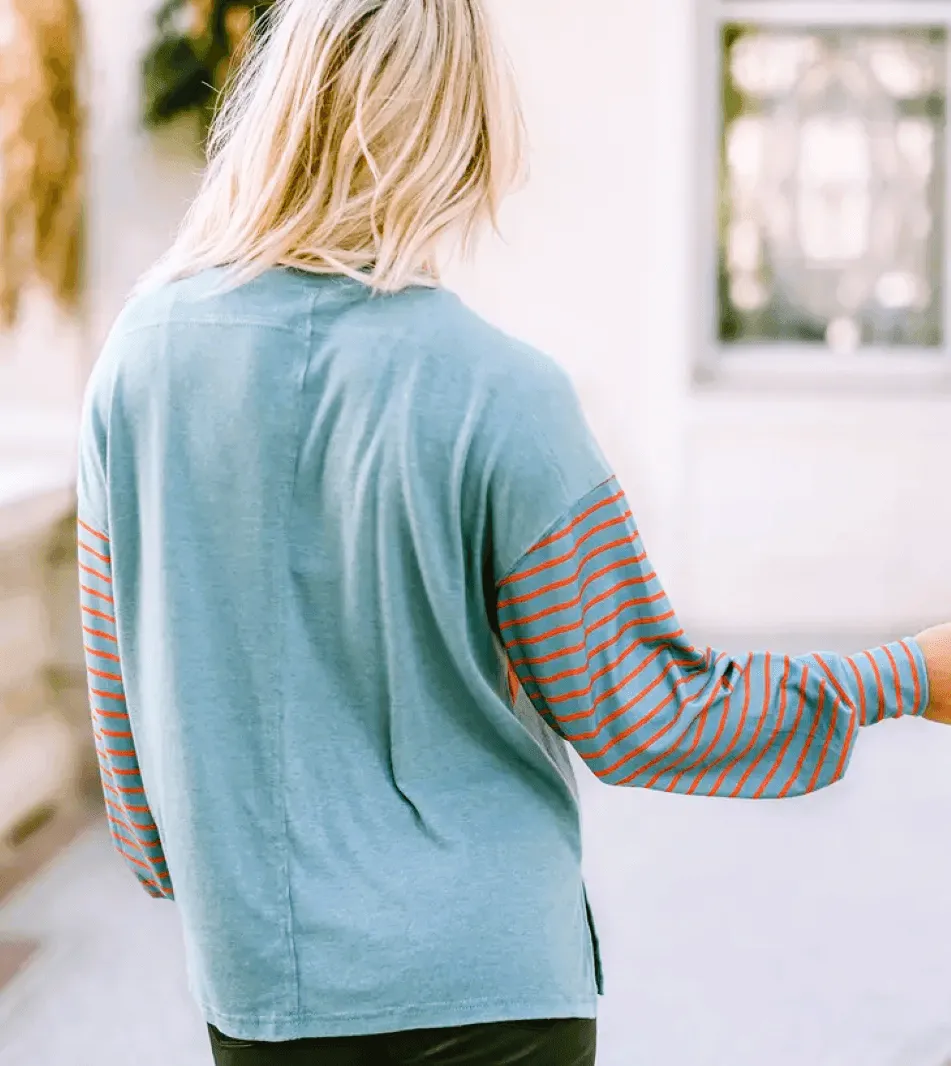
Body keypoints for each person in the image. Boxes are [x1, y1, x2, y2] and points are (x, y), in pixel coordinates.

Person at [75, 0, 951, 1063]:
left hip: (259, 993)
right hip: (487, 996)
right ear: (462, 135)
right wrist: (905, 675)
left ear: (285, 105)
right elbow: (642, 709)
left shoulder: (138, 362)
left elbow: (132, 775)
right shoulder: (502, 394)